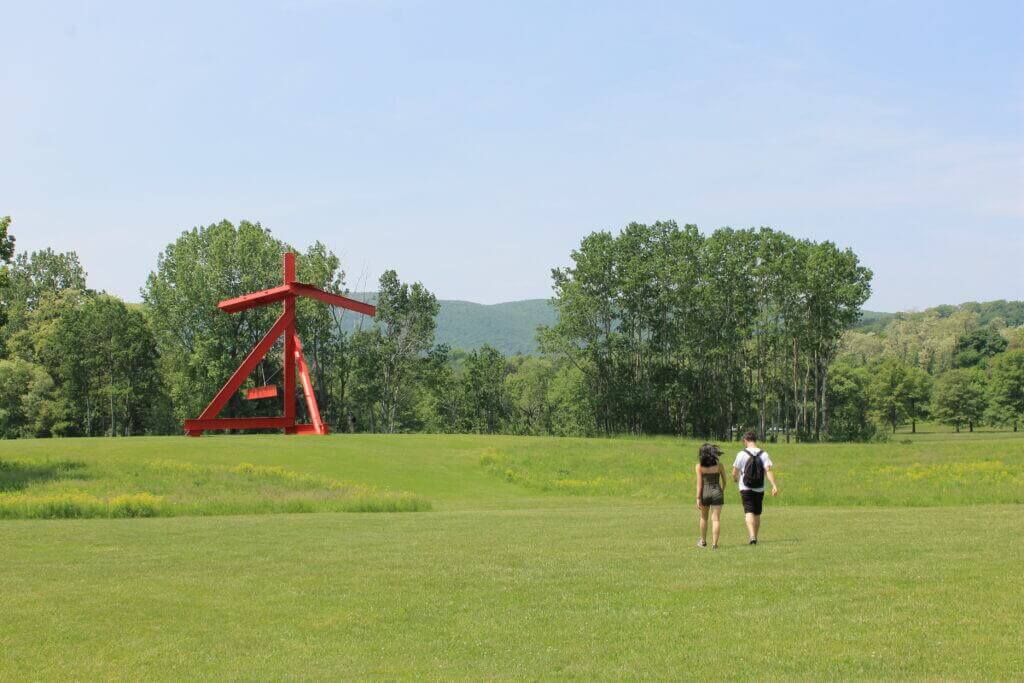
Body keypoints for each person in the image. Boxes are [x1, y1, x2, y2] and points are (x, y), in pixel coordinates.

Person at [732, 430, 779, 545]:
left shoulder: (741, 454)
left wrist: (735, 479)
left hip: (745, 487)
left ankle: (752, 536)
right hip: (759, 487)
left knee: (749, 511)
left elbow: (734, 472)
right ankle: (755, 537)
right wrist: (774, 485)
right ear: (755, 440)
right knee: (757, 513)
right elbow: (768, 471)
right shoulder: (764, 454)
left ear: (745, 440)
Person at [695, 443, 726, 549]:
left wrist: (698, 498)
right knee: (716, 519)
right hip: (717, 491)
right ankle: (714, 544)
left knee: (704, 517)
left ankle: (703, 542)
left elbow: (699, 484)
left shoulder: (699, 466)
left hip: (705, 492)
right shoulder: (719, 465)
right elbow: (725, 481)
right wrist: (721, 489)